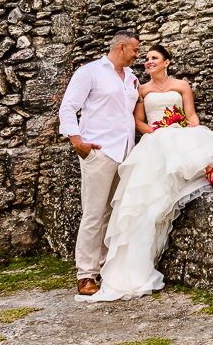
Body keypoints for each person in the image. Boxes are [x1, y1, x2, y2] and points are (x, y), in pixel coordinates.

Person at [79, 44, 213, 302]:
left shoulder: (182, 85)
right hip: (154, 137)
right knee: (167, 139)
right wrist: (157, 129)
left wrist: (180, 124)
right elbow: (138, 122)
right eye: (146, 59)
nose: (148, 62)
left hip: (177, 131)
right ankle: (209, 169)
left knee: (186, 135)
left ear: (167, 62)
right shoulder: (141, 90)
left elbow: (192, 117)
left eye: (154, 58)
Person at [58, 30, 142, 296]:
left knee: (113, 213)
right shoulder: (90, 72)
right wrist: (77, 141)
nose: (137, 55)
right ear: (121, 47)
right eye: (135, 50)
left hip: (126, 152)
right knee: (93, 214)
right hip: (100, 151)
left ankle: (107, 269)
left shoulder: (131, 78)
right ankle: (86, 275)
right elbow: (68, 106)